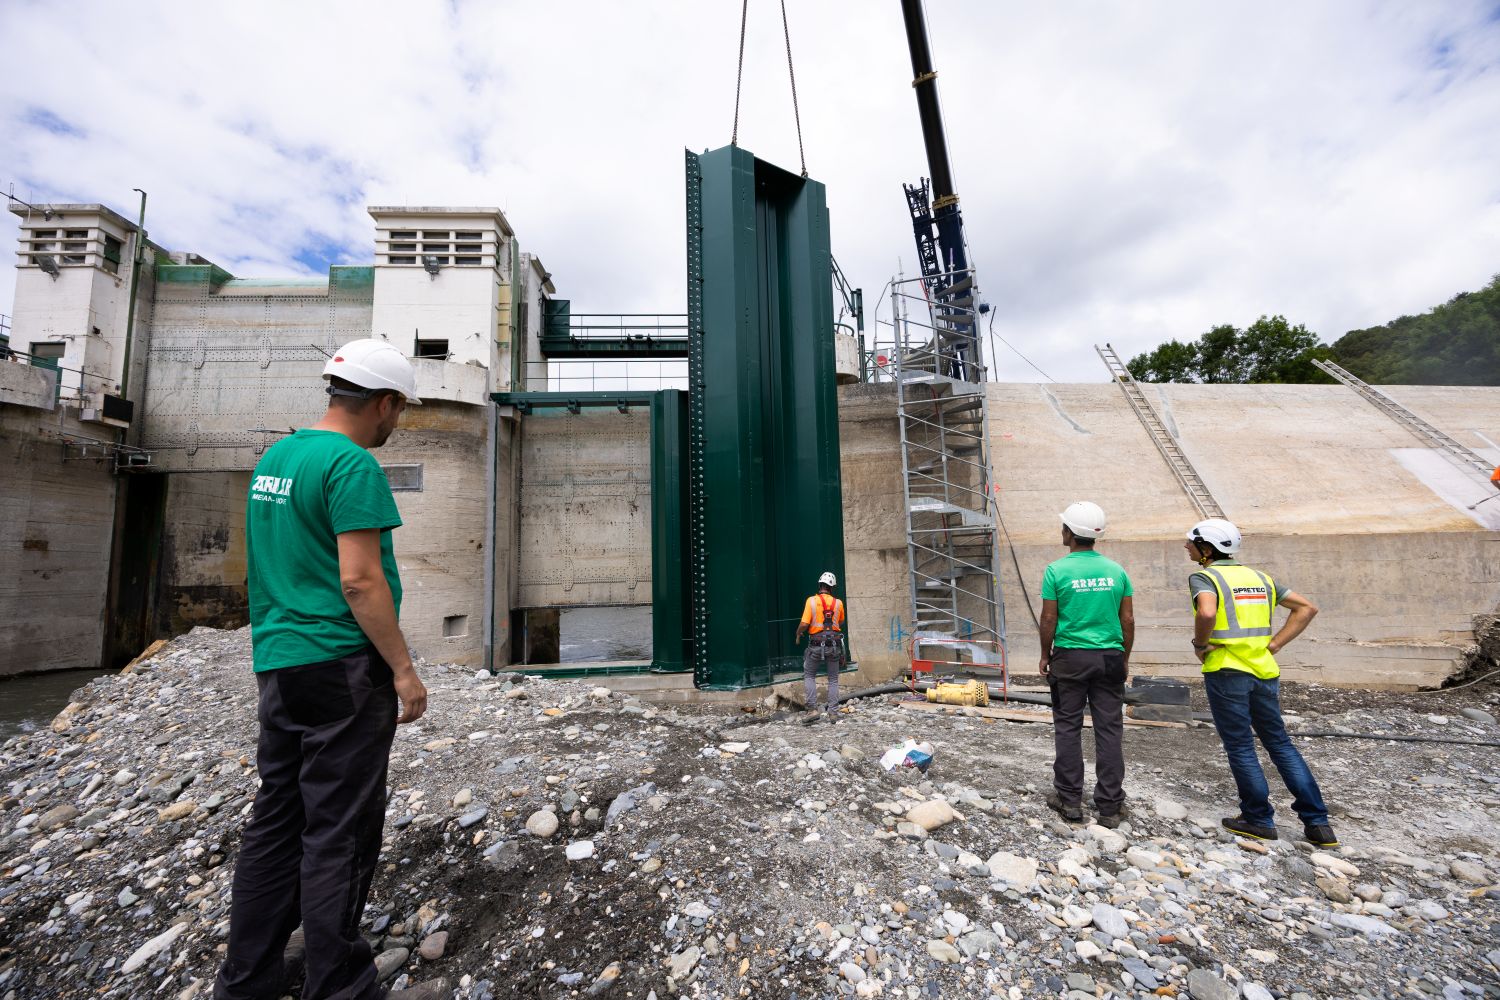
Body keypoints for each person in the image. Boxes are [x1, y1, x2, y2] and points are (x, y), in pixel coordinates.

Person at [216, 339, 445, 1000]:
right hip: (343, 667)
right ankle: (340, 986)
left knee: (277, 819)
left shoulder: (277, 458)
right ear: (384, 402)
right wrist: (403, 669)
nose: (394, 424)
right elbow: (360, 581)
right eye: (397, 411)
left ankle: (246, 982)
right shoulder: (351, 466)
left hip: (280, 663)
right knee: (339, 829)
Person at [1185, 518, 1338, 847]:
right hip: (1264, 671)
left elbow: (1207, 613)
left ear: (1206, 549)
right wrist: (1276, 644)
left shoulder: (1205, 576)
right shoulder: (1260, 578)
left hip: (1226, 670)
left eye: (1191, 542)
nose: (1187, 546)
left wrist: (1199, 645)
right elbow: (1307, 608)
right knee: (1280, 744)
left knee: (1241, 746)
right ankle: (1318, 824)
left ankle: (1258, 818)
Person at [1038, 501, 1134, 828]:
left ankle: (1069, 799)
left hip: (1070, 658)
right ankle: (1109, 806)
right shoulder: (1116, 571)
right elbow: (1128, 619)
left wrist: (1044, 654)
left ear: (1070, 533)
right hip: (1109, 658)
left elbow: (1049, 617)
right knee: (1109, 729)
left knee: (1068, 726)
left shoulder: (1056, 571)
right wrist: (1124, 658)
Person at [795, 571, 846, 723]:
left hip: (816, 645)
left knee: (810, 675)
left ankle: (812, 710)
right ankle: (833, 713)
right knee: (833, 679)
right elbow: (840, 622)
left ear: (820, 586)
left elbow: (804, 624)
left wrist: (798, 633)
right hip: (834, 645)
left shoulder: (811, 601)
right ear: (832, 587)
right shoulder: (838, 603)